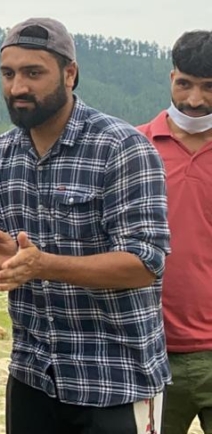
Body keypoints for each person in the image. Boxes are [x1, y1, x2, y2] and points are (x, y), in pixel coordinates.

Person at [0, 17, 169, 433]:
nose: (18, 87)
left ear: (70, 74)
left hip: (113, 380)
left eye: (33, 73)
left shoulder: (122, 147)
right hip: (32, 373)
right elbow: (11, 262)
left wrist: (44, 265)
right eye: (9, 74)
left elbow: (144, 263)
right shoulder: (1, 155)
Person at [136, 30, 212, 434]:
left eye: (209, 87)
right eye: (185, 83)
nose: (194, 100)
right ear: (170, 79)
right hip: (149, 350)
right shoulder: (135, 148)